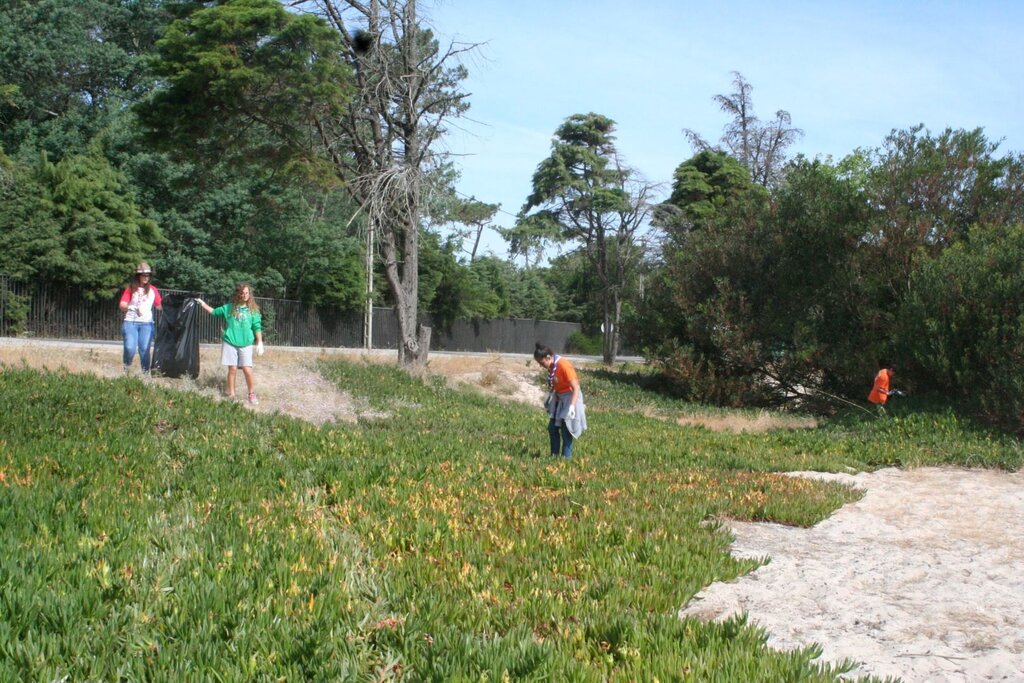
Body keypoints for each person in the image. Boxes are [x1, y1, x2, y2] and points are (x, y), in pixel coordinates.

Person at [195, 283, 264, 404]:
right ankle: (232, 394)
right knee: (232, 369)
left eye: (247, 293)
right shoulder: (229, 308)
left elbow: (257, 327)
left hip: (246, 343)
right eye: (242, 293)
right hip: (230, 342)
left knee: (247, 370)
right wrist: (202, 304)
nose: (245, 295)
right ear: (238, 294)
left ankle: (251, 394)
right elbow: (214, 312)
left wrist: (260, 342)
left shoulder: (253, 310)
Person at [534, 342, 587, 458]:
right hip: (560, 398)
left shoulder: (564, 365)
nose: (540, 366)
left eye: (541, 363)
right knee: (552, 428)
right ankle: (554, 456)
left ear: (548, 357)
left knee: (566, 431)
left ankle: (565, 460)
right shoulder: (552, 366)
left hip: (571, 398)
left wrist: (572, 407)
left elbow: (575, 388)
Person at [118, 261, 162, 375]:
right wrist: (130, 307)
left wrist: (174, 304)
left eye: (148, 275)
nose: (146, 277)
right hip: (130, 323)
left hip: (147, 324)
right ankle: (126, 371)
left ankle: (145, 375)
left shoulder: (153, 290)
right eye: (144, 275)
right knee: (130, 348)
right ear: (138, 276)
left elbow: (159, 306)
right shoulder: (131, 289)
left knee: (144, 350)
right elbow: (122, 305)